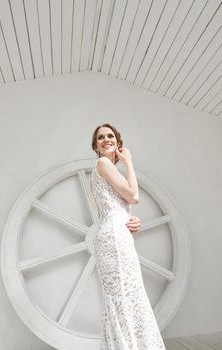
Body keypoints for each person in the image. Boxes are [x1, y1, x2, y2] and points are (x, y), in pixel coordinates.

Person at [90, 123, 166, 350]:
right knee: (125, 295)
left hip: (114, 233)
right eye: (101, 137)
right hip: (113, 237)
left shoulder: (108, 171)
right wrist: (129, 161)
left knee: (128, 294)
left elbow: (115, 209)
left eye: (110, 136)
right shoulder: (103, 163)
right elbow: (134, 195)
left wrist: (132, 221)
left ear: (118, 142)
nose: (106, 139)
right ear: (96, 146)